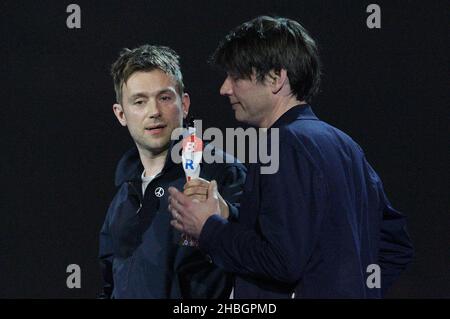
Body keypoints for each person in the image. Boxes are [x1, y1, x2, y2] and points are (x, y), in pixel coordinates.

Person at [168, 16, 414, 298]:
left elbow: (281, 261)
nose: (225, 88)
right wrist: (228, 216)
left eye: (236, 76)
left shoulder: (285, 144)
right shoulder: (346, 146)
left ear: (276, 78)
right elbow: (395, 245)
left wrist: (208, 228)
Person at [98, 44, 246, 298]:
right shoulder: (124, 194)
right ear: (121, 114)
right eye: (139, 101)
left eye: (164, 98)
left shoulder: (221, 172)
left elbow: (260, 258)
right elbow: (109, 284)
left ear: (184, 103)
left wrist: (226, 215)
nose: (154, 112)